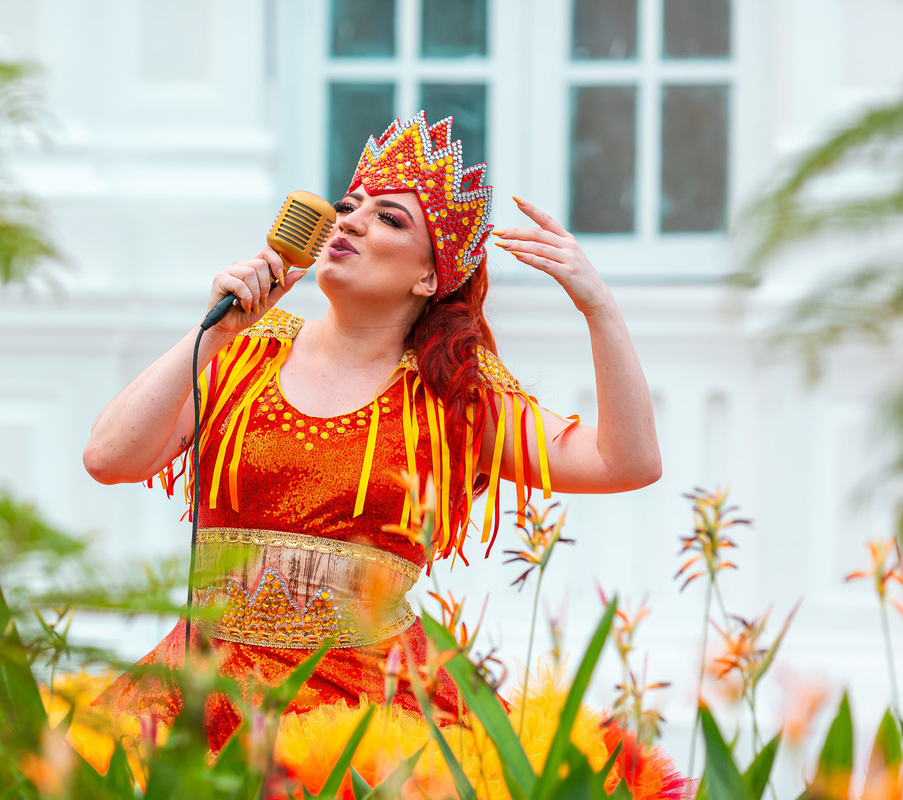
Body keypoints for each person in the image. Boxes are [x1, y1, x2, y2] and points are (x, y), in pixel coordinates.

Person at [78, 112, 681, 796]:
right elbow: (107, 457)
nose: (352, 222)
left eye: (390, 219)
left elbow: (626, 463)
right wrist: (213, 330)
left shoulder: (453, 396)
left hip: (373, 718)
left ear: (430, 278)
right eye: (347, 207)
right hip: (207, 694)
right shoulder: (245, 348)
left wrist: (599, 308)